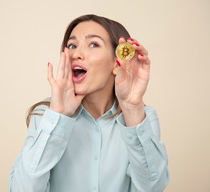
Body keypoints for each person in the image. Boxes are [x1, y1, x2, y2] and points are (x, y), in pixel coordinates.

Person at [9, 14, 169, 192]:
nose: (76, 54)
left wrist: (132, 108)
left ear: (117, 63)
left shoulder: (142, 118)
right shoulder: (44, 116)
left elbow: (153, 188)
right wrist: (58, 116)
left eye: (93, 44)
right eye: (71, 45)